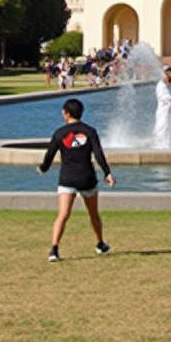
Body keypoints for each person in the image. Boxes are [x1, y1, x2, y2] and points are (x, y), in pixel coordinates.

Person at [37, 97, 115, 262]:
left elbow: (49, 155)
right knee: (94, 214)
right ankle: (100, 243)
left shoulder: (59, 133)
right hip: (87, 178)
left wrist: (43, 168)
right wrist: (107, 173)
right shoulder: (90, 131)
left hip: (67, 179)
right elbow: (98, 154)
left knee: (63, 215)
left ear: (66, 113)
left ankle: (54, 249)